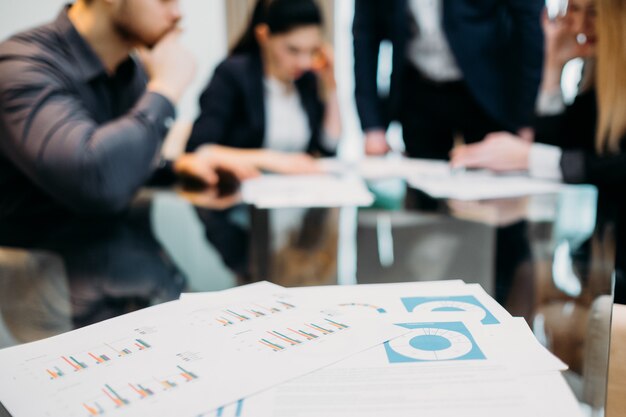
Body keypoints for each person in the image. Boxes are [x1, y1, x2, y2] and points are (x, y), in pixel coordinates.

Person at [0, 0, 256, 221]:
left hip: (110, 258)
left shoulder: (130, 71)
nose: (178, 13)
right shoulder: (22, 66)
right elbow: (94, 181)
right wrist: (165, 89)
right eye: (164, 0)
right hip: (39, 269)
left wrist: (176, 167)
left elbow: (119, 164)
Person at [451, 0, 626, 303]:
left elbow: (614, 166)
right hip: (601, 250)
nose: (578, 25)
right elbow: (564, 145)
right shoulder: (599, 72)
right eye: (575, 10)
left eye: (593, 13)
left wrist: (527, 157)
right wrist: (552, 66)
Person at [352, 0, 544, 159]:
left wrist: (524, 118)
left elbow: (530, 25)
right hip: (419, 91)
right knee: (422, 193)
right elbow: (365, 33)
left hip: (487, 93)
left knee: (493, 188)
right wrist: (372, 125)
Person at [186, 0, 341, 173]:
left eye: (312, 51)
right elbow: (198, 150)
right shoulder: (232, 75)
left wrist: (331, 85)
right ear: (264, 36)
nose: (304, 63)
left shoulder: (306, 80)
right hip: (242, 193)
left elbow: (328, 148)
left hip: (295, 193)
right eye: (293, 50)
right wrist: (274, 160)